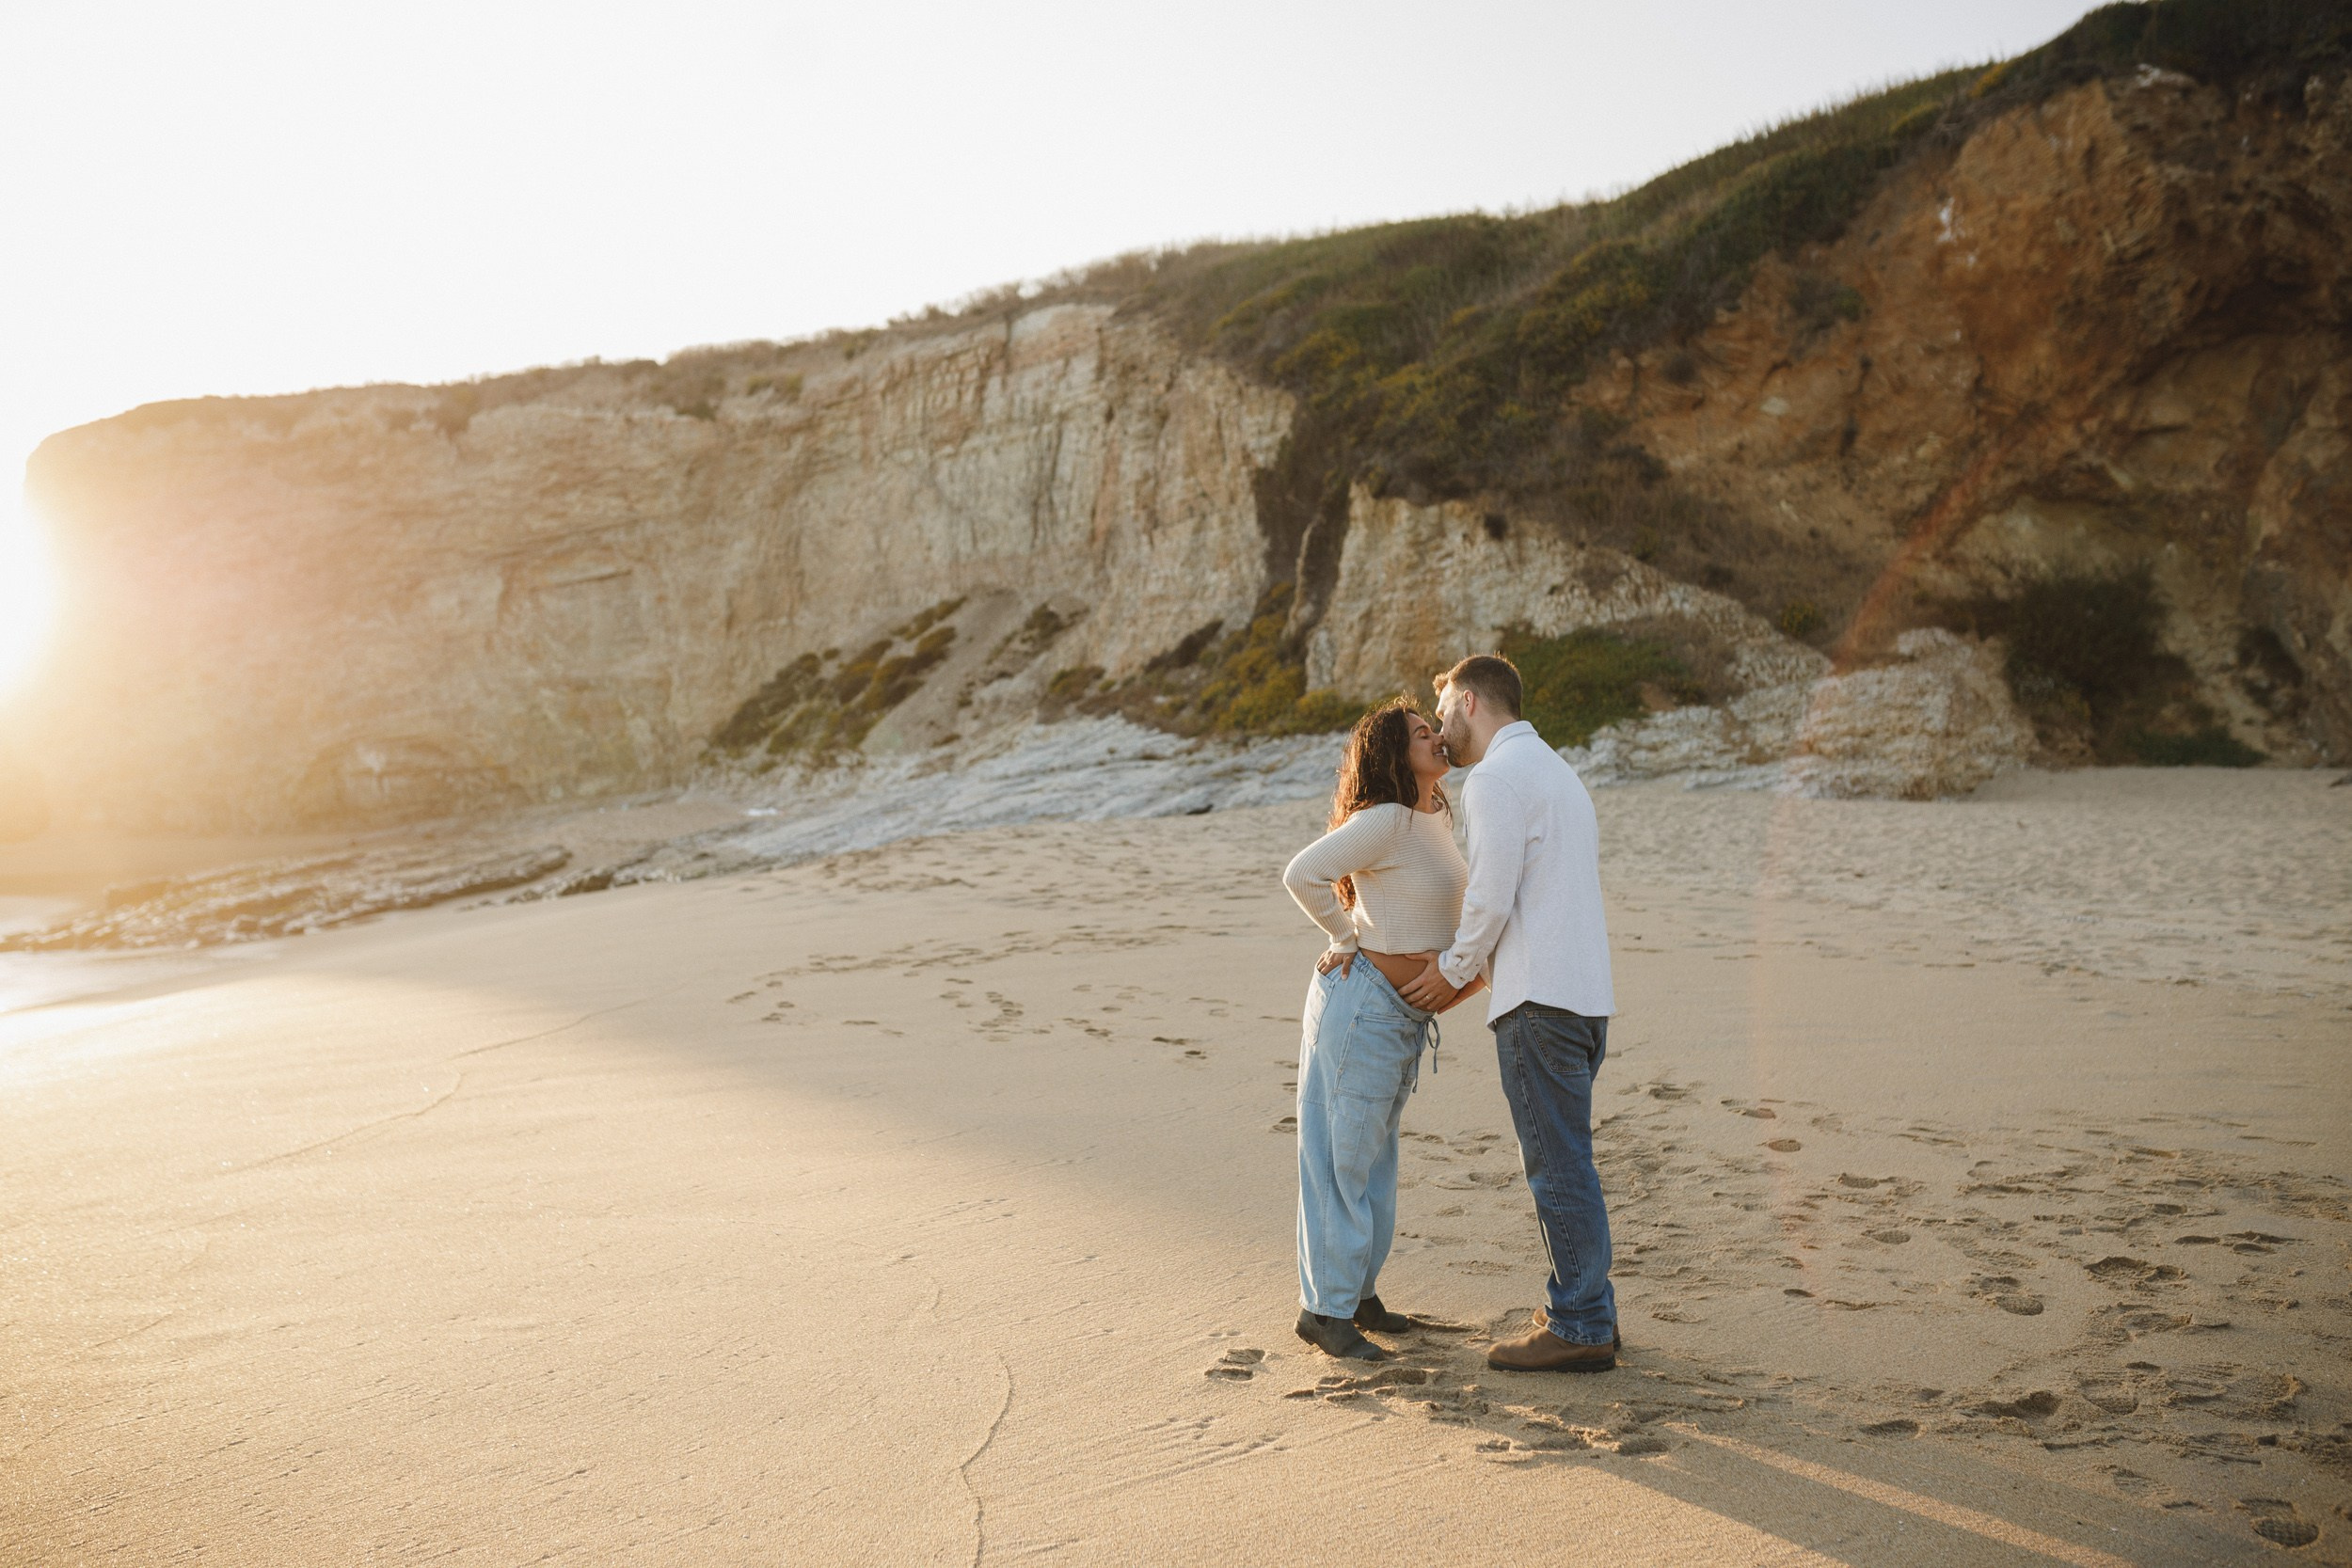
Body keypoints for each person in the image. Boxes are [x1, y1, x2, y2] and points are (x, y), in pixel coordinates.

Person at [1399, 654, 1620, 1373]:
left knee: (1555, 1167)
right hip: (1587, 999)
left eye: (1443, 716)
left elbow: (1490, 895)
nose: (1441, 732)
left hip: (1540, 1000)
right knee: (1571, 1160)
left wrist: (1452, 973)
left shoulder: (1494, 777)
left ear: (1469, 700)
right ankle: (1591, 1309)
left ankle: (1580, 1322)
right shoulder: (1558, 771)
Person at [1281, 699, 1484, 1362]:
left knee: (1373, 1160)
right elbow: (1301, 873)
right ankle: (1324, 1311)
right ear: (1394, 756)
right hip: (1361, 1005)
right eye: (1420, 733)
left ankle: (1358, 1293)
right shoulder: (1389, 818)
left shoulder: (1434, 817)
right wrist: (1346, 936)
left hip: (1399, 1017)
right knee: (1341, 1158)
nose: (1435, 737)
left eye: (1434, 727)